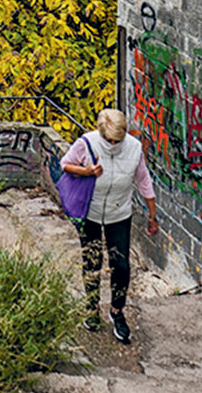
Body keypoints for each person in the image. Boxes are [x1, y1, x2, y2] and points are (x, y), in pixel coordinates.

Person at [61, 108, 158, 344]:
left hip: (119, 212)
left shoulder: (134, 148)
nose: (113, 143)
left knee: (121, 265)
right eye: (109, 139)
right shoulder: (87, 143)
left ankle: (117, 311)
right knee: (92, 262)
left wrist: (152, 214)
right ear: (101, 133)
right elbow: (65, 164)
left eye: (118, 139)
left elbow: (143, 179)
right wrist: (87, 171)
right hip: (91, 212)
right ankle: (92, 309)